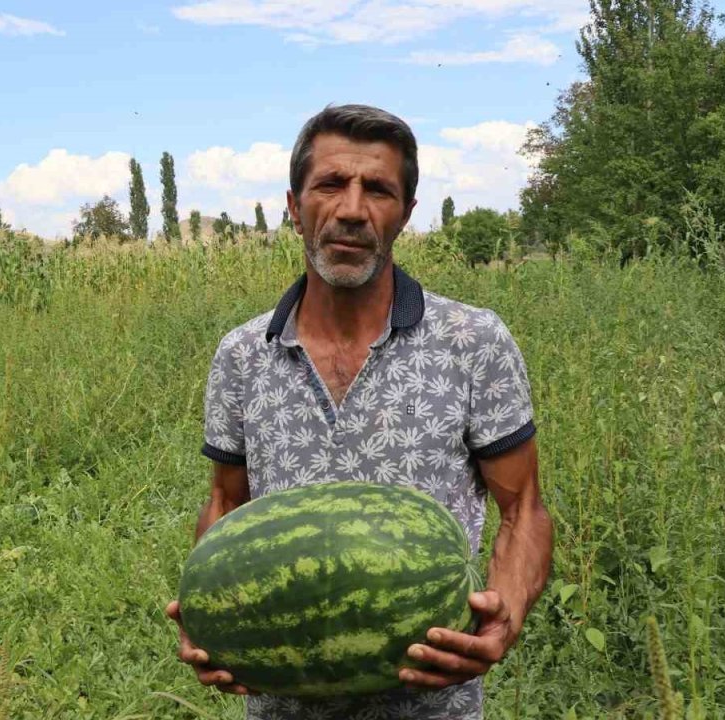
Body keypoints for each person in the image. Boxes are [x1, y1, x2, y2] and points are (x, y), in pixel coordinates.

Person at [164, 104, 553, 719]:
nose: (351, 209)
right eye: (329, 185)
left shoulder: (472, 340)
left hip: (434, 706)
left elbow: (523, 509)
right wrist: (211, 614)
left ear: (406, 213)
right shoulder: (241, 355)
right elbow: (226, 504)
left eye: (378, 189)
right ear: (293, 207)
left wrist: (502, 615)